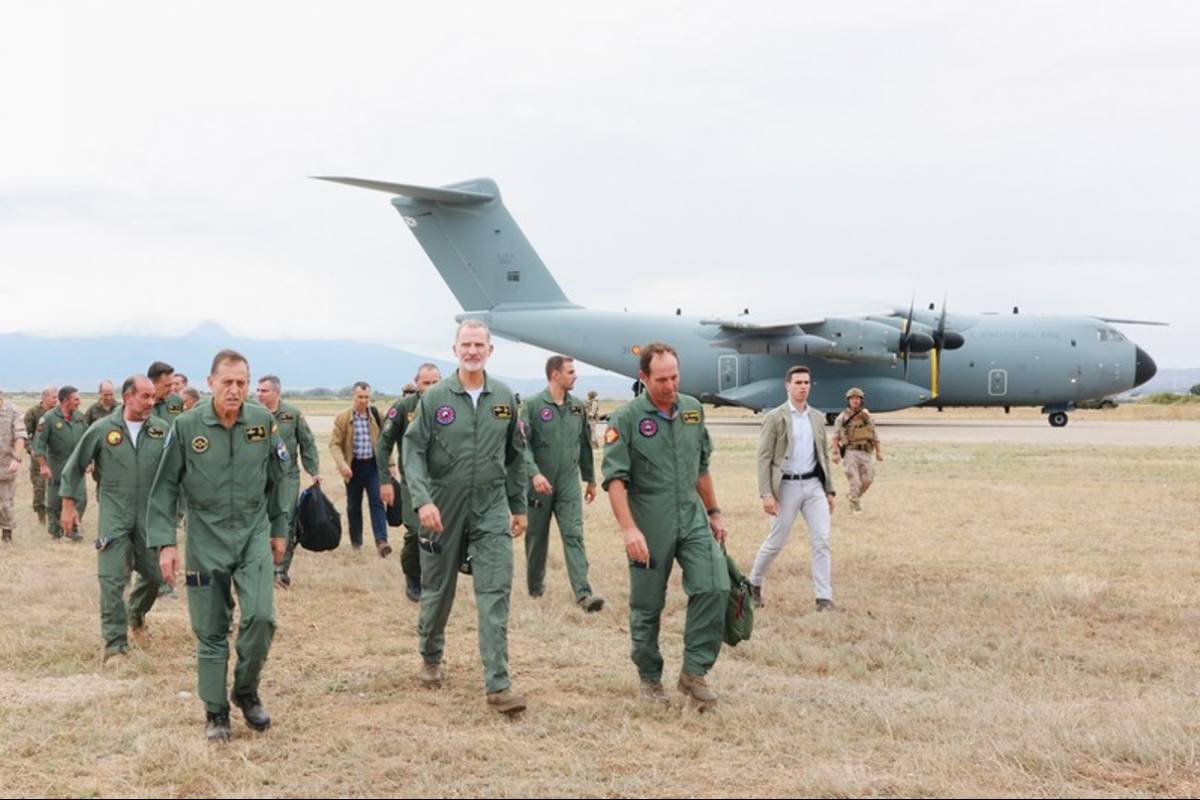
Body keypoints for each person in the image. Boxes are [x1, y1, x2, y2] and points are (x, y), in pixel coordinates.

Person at [147, 349, 291, 742]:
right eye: (227, 382)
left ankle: (245, 690)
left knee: (261, 617)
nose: (235, 390)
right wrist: (165, 543)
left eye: (242, 382)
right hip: (204, 538)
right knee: (210, 629)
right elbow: (164, 487)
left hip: (252, 534)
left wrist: (280, 528)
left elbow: (282, 475)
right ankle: (215, 712)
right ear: (210, 382)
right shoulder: (187, 426)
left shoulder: (262, 422)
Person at [403, 320, 528, 715]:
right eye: (466, 345)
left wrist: (519, 505)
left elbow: (516, 455)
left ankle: (498, 684)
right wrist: (422, 501)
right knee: (439, 591)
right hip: (442, 504)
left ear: (490, 350)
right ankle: (430, 656)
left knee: (494, 592)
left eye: (479, 345)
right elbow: (413, 451)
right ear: (454, 349)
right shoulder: (436, 397)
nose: (472, 351)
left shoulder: (504, 397)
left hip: (490, 504)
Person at [601, 342, 730, 710]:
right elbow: (615, 480)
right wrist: (629, 529)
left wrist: (714, 511)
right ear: (643, 378)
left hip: (691, 516)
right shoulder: (625, 420)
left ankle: (694, 672)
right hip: (649, 520)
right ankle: (649, 678)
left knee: (714, 585)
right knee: (647, 604)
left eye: (675, 377)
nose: (670, 385)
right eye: (661, 379)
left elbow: (700, 467)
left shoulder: (692, 410)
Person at [59, 375, 167, 662]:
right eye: (145, 396)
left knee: (157, 577)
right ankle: (115, 648)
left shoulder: (161, 430)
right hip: (114, 514)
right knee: (112, 581)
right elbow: (74, 467)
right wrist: (68, 506)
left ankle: (136, 614)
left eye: (153, 397)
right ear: (128, 396)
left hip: (148, 516)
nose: (151, 402)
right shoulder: (102, 429)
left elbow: (176, 470)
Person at [750, 365, 838, 612]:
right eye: (798, 383)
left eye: (806, 383)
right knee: (776, 541)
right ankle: (753, 584)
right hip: (786, 486)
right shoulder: (775, 417)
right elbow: (764, 458)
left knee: (821, 540)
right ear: (787, 386)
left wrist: (829, 490)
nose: (802, 387)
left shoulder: (817, 418)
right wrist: (766, 493)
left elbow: (823, 456)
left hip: (813, 486)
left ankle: (824, 598)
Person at [522, 355, 604, 611]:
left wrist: (590, 478)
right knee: (536, 537)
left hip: (568, 482)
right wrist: (534, 474)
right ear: (555, 375)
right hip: (538, 483)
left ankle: (583, 593)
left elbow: (584, 445)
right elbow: (521, 445)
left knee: (574, 535)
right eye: (570, 372)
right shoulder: (532, 406)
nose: (575, 376)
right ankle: (535, 588)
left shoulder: (578, 407)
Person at [377, 363, 441, 602]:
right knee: (416, 533)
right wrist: (384, 480)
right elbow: (383, 445)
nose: (432, 387)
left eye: (436, 382)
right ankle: (413, 577)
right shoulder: (404, 408)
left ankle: (434, 581)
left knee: (441, 534)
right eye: (426, 383)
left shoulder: (450, 406)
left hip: (444, 484)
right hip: (414, 484)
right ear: (417, 383)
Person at [255, 375, 321, 588]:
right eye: (258, 390)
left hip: (286, 476)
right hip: (259, 476)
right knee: (259, 521)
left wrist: (314, 470)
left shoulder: (292, 414)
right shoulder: (252, 414)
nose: (259, 394)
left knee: (286, 520)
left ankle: (280, 571)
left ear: (276, 392)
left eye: (264, 391)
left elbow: (307, 442)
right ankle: (260, 568)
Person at [329, 382, 391, 556]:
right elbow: (334, 445)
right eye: (360, 397)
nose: (364, 401)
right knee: (353, 506)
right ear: (353, 397)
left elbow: (385, 443)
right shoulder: (343, 418)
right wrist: (343, 465)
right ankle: (356, 542)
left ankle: (381, 541)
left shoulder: (377, 415)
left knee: (377, 502)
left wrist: (391, 465)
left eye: (367, 397)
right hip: (353, 467)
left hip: (373, 466)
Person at [32, 386, 89, 541]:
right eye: (76, 399)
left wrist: (91, 460)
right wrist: (43, 465)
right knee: (56, 501)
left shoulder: (79, 417)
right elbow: (38, 445)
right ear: (65, 401)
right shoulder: (49, 418)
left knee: (80, 498)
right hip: (56, 466)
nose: (79, 402)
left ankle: (74, 529)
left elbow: (88, 441)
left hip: (77, 466)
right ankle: (57, 532)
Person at [830, 387, 883, 513]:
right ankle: (855, 505)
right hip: (850, 452)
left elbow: (875, 435)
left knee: (868, 478)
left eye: (858, 399)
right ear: (848, 401)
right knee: (854, 480)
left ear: (861, 400)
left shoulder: (867, 417)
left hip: (865, 451)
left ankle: (853, 496)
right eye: (852, 399)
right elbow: (835, 436)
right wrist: (835, 453)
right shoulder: (842, 417)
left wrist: (879, 452)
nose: (855, 401)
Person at [24, 387, 56, 525]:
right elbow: (24, 434)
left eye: (57, 397)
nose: (56, 400)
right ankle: (41, 516)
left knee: (57, 486)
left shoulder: (59, 412)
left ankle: (57, 516)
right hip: (39, 456)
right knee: (39, 487)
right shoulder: (33, 413)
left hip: (56, 456)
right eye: (53, 397)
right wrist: (31, 449)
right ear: (44, 398)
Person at [0, 388, 28, 543]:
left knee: (5, 504)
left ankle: (6, 534)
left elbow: (20, 436)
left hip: (5, 464)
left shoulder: (12, 411)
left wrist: (16, 459)